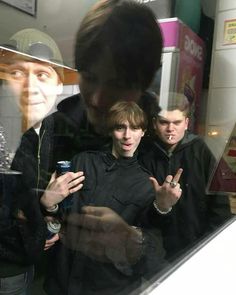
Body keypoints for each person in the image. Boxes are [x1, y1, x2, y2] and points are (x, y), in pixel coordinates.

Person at [40, 101, 167, 295]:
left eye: (134, 128)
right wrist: (48, 205)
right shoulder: (83, 161)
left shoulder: (146, 184)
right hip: (62, 277)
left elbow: (146, 246)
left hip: (106, 285)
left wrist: (163, 207)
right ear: (110, 131)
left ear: (142, 132)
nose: (127, 135)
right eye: (120, 127)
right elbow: (61, 213)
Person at [0, 29, 81, 295]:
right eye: (17, 73)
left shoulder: (44, 127)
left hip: (26, 265)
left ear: (59, 86)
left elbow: (23, 200)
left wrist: (45, 210)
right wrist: (35, 231)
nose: (30, 87)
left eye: (42, 74)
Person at [139, 92, 232, 262]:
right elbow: (139, 211)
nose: (170, 129)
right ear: (154, 124)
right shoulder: (144, 154)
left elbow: (220, 206)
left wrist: (210, 249)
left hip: (200, 250)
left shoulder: (204, 151)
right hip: (156, 254)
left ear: (186, 123)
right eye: (164, 122)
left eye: (177, 122)